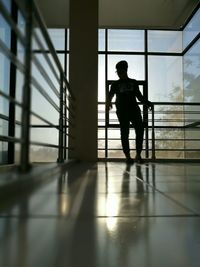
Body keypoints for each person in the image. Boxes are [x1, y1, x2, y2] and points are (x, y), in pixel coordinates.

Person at [108, 60, 153, 163]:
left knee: (140, 131)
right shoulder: (115, 84)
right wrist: (108, 102)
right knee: (124, 133)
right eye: (117, 72)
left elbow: (139, 97)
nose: (119, 73)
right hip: (122, 111)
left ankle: (138, 155)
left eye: (120, 71)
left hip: (134, 110)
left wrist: (148, 103)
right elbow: (110, 95)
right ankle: (128, 156)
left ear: (125, 70)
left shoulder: (133, 82)